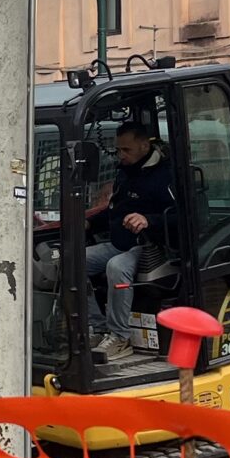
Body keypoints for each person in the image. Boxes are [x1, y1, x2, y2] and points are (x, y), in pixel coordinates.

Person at [84, 123, 176, 354]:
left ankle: (120, 336)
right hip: (120, 242)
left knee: (117, 267)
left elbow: (181, 215)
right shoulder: (125, 172)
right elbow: (116, 210)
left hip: (150, 246)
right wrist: (90, 222)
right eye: (118, 150)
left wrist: (148, 220)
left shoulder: (165, 175)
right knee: (74, 260)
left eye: (126, 150)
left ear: (144, 146)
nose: (121, 155)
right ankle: (97, 327)